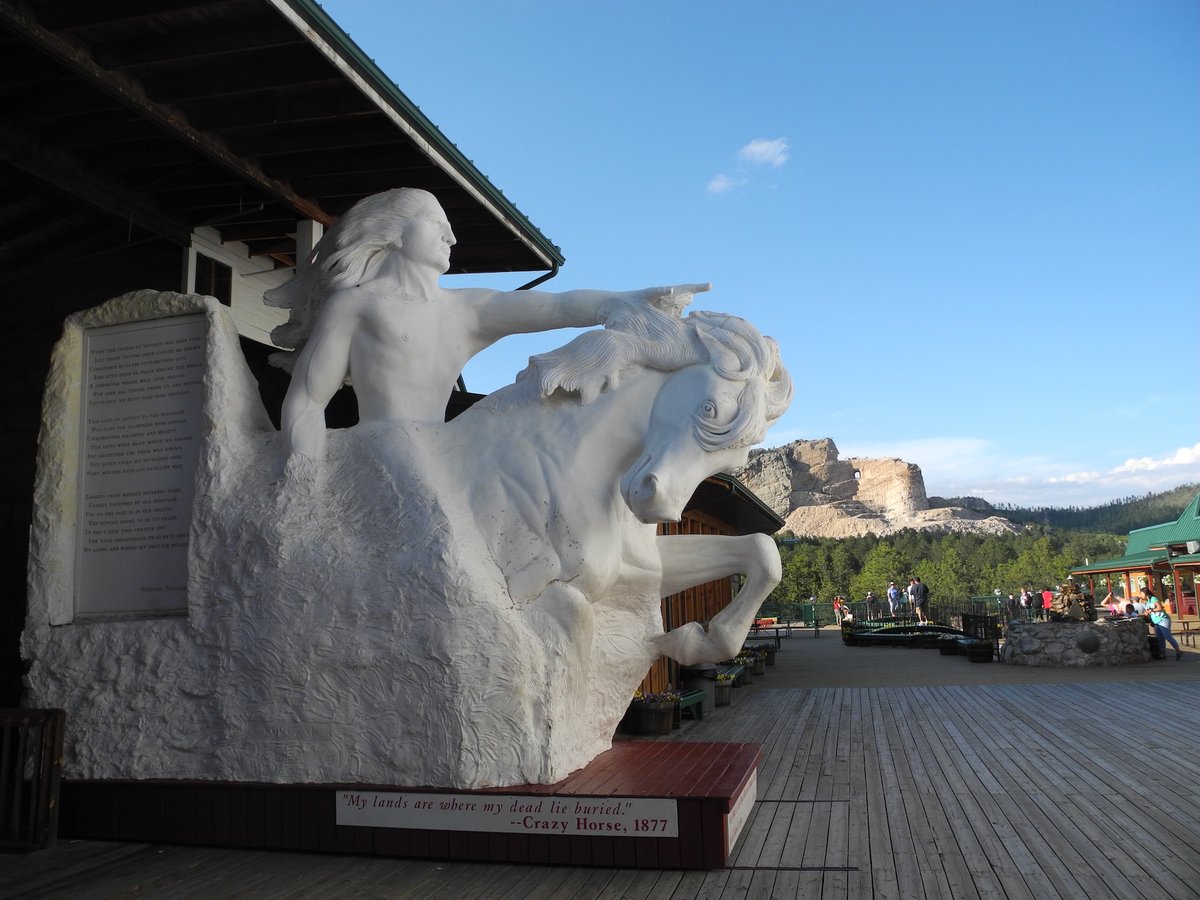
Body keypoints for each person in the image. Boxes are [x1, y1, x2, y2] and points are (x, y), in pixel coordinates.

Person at [265, 187, 708, 466]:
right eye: (438, 226)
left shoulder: (466, 310)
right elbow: (306, 401)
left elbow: (556, 306)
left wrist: (623, 300)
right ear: (396, 233)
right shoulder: (356, 305)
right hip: (381, 456)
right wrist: (304, 474)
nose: (452, 238)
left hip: (440, 452)